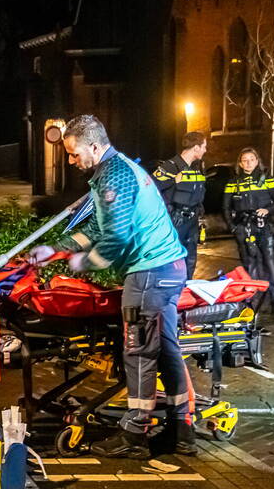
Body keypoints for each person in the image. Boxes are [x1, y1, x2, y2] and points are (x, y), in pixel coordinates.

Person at [31, 115, 193, 458]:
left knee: (138, 351)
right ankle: (181, 429)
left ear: (94, 145)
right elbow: (99, 226)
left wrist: (81, 264)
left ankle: (134, 434)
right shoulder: (119, 170)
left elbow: (115, 239)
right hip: (166, 268)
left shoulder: (113, 177)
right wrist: (59, 248)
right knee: (164, 349)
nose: (73, 161)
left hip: (148, 272)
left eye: (75, 154)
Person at [223, 147, 274, 319]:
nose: (248, 163)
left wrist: (268, 210)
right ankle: (251, 306)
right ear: (240, 163)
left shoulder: (268, 180)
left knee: (270, 266)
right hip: (243, 229)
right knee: (249, 268)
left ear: (257, 160)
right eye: (244, 160)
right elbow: (225, 207)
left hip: (264, 228)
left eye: (251, 159)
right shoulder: (233, 183)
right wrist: (233, 227)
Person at [153, 132, 208, 279]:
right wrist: (173, 181)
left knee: (190, 260)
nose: (205, 150)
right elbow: (150, 188)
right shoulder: (170, 166)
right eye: (204, 147)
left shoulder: (196, 168)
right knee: (173, 262)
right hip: (174, 221)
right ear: (196, 148)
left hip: (192, 222)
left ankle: (185, 293)